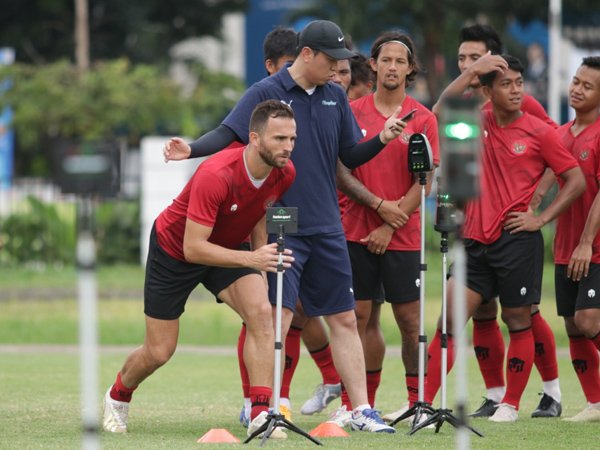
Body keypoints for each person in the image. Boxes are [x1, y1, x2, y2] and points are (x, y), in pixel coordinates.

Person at [163, 19, 407, 433]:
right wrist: (192, 149)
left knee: (344, 319)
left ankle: (361, 409)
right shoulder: (266, 92)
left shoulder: (334, 94)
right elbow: (228, 132)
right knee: (276, 318)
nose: (337, 69)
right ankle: (266, 406)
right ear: (307, 54)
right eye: (331, 60)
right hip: (281, 222)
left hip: (328, 222)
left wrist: (380, 139)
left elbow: (348, 153)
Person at [102, 100, 297, 436]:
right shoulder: (216, 174)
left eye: (292, 139)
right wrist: (252, 259)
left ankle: (261, 413)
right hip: (176, 250)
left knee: (262, 314)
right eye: (279, 139)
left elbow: (260, 214)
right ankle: (117, 397)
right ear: (254, 138)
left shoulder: (285, 172)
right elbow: (194, 248)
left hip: (231, 247)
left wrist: (262, 267)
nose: (288, 147)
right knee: (159, 351)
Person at [425, 54, 585, 423]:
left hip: (517, 240)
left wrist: (540, 217)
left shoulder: (539, 130)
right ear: (486, 91)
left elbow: (574, 180)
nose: (515, 91)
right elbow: (439, 110)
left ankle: (510, 404)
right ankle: (424, 402)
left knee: (517, 319)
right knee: (448, 321)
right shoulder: (472, 122)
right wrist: (470, 71)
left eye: (518, 83)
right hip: (472, 242)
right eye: (506, 84)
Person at [334, 32, 439, 424]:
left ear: (410, 68)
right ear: (374, 65)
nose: (393, 66)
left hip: (402, 237)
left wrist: (390, 226)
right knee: (356, 318)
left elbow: (424, 179)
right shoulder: (351, 111)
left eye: (401, 61)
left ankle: (416, 404)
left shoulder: (423, 117)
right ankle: (356, 407)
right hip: (354, 233)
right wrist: (378, 208)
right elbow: (341, 170)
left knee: (410, 323)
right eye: (386, 60)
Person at [234, 25, 299, 429]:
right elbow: (228, 139)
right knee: (267, 311)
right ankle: (258, 402)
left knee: (312, 314)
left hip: (317, 215)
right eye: (287, 68)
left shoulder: (325, 94)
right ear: (271, 67)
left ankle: (325, 393)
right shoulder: (257, 101)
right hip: (275, 215)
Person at [554, 56, 600, 422]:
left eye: (587, 85)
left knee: (588, 321)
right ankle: (596, 402)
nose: (577, 88)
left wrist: (586, 241)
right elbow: (541, 184)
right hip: (563, 247)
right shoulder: (559, 135)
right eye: (575, 81)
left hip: (594, 247)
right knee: (572, 324)